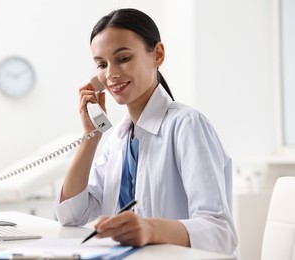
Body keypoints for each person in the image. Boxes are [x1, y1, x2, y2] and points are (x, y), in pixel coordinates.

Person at [53, 8, 238, 257]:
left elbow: (220, 232)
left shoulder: (187, 125)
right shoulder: (118, 139)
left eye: (123, 58)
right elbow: (70, 214)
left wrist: (150, 229)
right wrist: (92, 135)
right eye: (101, 64)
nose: (110, 74)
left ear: (157, 55)